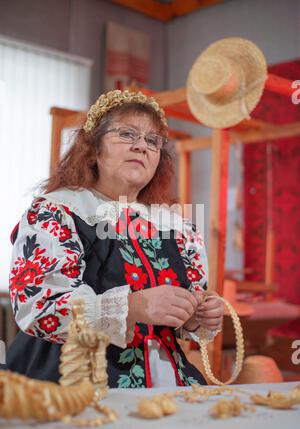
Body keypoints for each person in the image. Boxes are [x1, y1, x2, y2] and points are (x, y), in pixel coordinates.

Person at [3, 89, 224, 388]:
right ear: (92, 149)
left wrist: (196, 317)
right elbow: (39, 308)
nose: (141, 147)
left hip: (168, 382)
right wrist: (133, 307)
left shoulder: (178, 226)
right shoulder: (56, 211)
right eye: (127, 134)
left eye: (152, 141)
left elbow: (188, 311)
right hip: (73, 381)